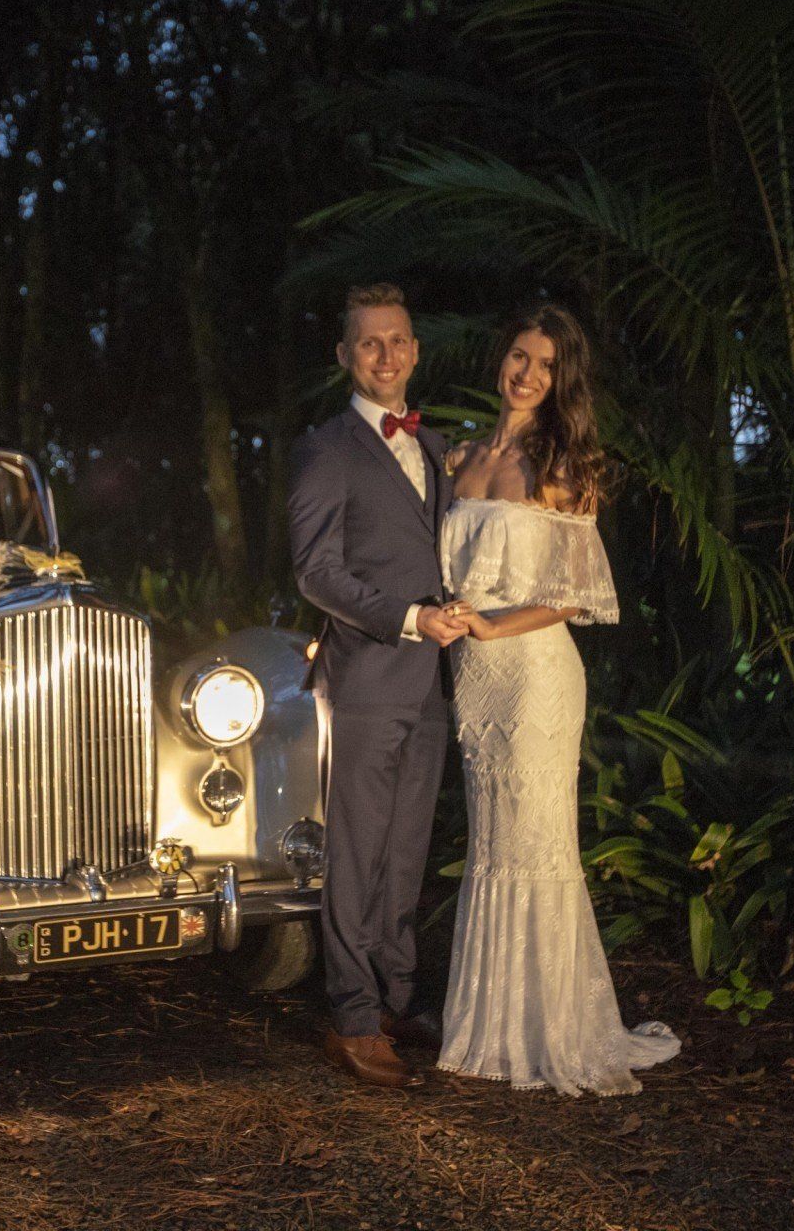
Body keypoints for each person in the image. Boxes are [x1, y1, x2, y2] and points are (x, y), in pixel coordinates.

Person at [437, 303, 680, 1096]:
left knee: (538, 845)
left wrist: (493, 627)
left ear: (560, 380)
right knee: (493, 845)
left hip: (534, 670)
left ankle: (552, 1031)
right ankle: (488, 1028)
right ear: (500, 358)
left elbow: (575, 597)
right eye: (518, 355)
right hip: (472, 676)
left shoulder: (565, 466)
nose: (527, 374)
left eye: (545, 366)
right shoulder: (460, 458)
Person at [288, 283, 466, 1090]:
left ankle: (396, 998)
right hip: (365, 675)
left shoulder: (437, 451)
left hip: (432, 681)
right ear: (345, 357)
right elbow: (316, 571)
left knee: (405, 850)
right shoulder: (326, 448)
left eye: (398, 341)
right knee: (358, 852)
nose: (386, 356)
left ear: (416, 350)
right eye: (369, 343)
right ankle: (354, 1019)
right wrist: (405, 619)